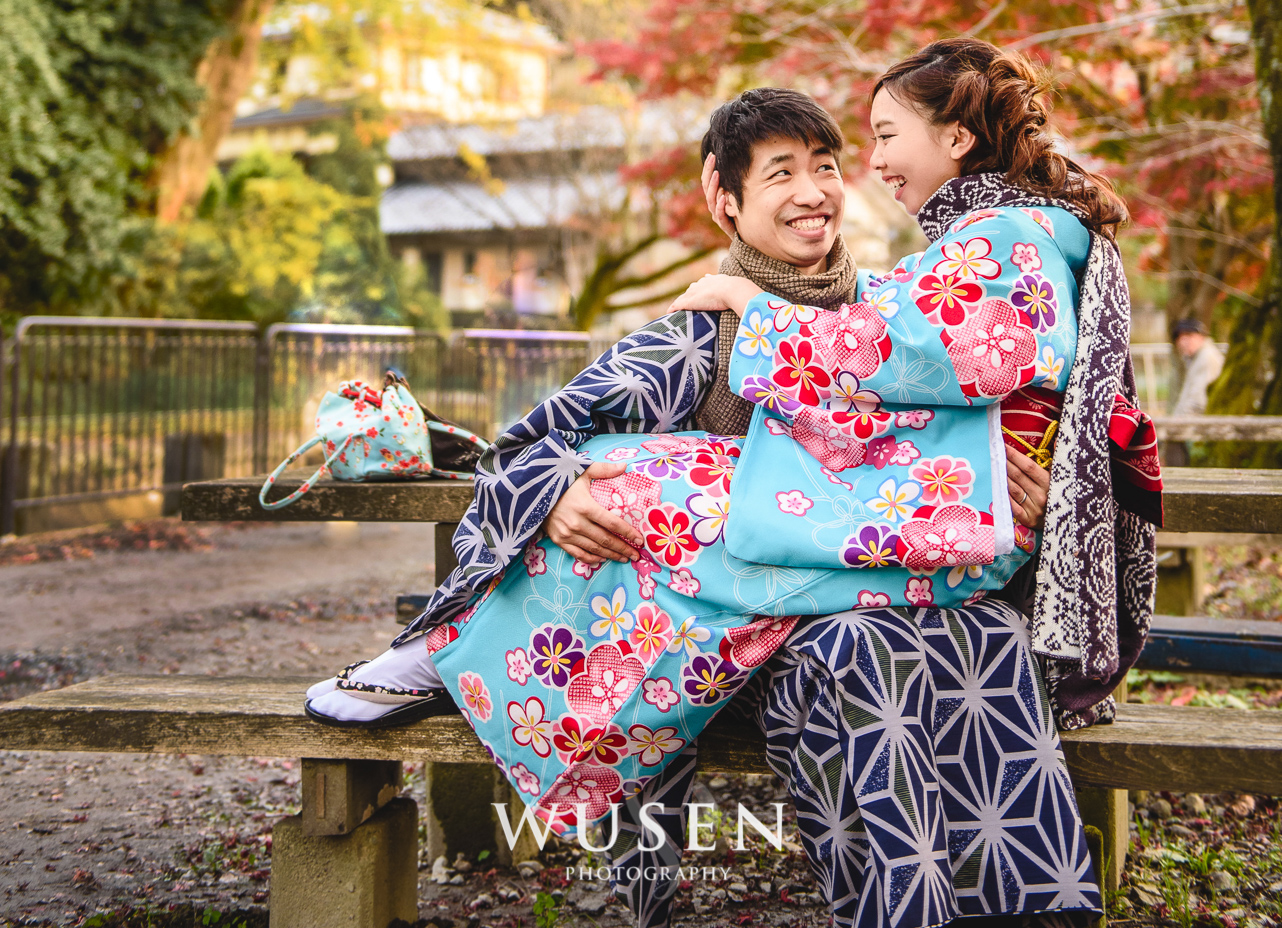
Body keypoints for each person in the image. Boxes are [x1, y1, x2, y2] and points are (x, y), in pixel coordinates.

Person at [306, 49, 1160, 928]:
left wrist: (994, 465)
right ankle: (452, 650)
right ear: (725, 198)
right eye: (781, 173)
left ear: (954, 139)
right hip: (800, 598)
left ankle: (995, 903)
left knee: (926, 624)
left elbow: (930, 372)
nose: (823, 188)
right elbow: (532, 441)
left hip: (904, 556)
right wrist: (557, 488)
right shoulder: (698, 334)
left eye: (831, 163)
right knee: (645, 493)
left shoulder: (911, 286)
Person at [1170, 317, 1225, 416]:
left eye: (1189, 335)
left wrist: (1179, 423)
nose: (1183, 342)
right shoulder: (1195, 358)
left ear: (1202, 336)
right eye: (1180, 337)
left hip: (1198, 421)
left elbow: (1198, 401)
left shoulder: (1206, 358)